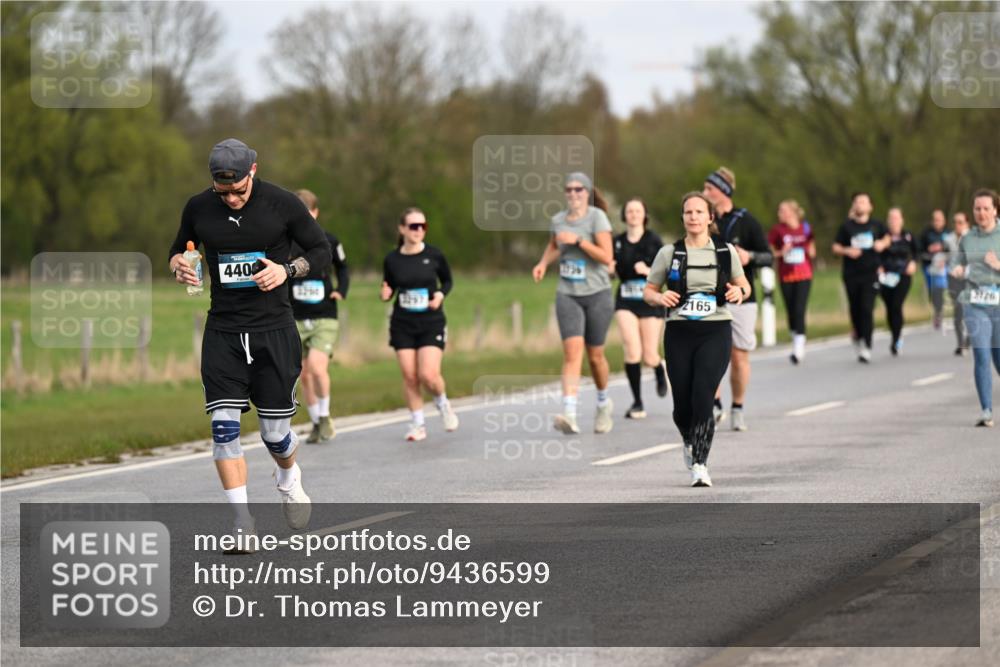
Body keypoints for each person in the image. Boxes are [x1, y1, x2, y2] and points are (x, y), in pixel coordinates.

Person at [169, 138, 331, 546]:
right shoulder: (198, 206)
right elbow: (179, 248)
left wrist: (288, 270)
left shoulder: (282, 204)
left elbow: (320, 249)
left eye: (239, 190)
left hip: (273, 330)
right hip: (223, 332)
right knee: (223, 429)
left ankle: (289, 476)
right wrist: (179, 265)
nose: (233, 199)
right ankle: (243, 522)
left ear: (252, 172)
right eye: (224, 193)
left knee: (275, 434)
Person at [644, 192, 752, 487]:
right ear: (683, 218)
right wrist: (659, 296)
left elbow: (744, 285)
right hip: (679, 331)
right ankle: (689, 438)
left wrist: (738, 293)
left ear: (710, 218)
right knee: (682, 405)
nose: (693, 217)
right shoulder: (670, 253)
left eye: (699, 212)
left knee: (704, 392)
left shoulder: (724, 251)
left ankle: (701, 464)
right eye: (688, 212)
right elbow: (649, 290)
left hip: (715, 329)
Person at [532, 172, 615, 435]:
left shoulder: (596, 218)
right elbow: (554, 245)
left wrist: (579, 241)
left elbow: (606, 256)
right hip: (567, 293)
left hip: (598, 293)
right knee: (572, 353)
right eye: (569, 190)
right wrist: (543, 263)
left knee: (596, 357)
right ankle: (569, 413)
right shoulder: (558, 220)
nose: (573, 194)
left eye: (579, 190)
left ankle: (603, 403)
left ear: (587, 192)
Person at [702, 167, 772, 431]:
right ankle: (715, 402)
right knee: (709, 352)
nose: (705, 193)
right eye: (704, 189)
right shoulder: (702, 220)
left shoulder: (746, 220)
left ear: (724, 191)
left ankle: (738, 406)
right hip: (709, 295)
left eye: (710, 189)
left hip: (742, 297)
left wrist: (749, 257)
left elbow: (768, 257)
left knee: (739, 355)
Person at [381, 207, 459, 442]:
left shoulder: (434, 255)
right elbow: (390, 286)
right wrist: (385, 293)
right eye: (414, 226)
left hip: (431, 322)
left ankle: (442, 403)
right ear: (402, 229)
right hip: (403, 323)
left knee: (429, 375)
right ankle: (417, 424)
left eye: (422, 226)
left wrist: (440, 295)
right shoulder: (392, 259)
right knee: (410, 376)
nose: (419, 230)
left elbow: (447, 281)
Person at [289, 189, 350, 444]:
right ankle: (315, 421)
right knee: (303, 373)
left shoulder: (330, 241)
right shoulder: (286, 242)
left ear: (316, 213)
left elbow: (343, 268)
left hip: (324, 314)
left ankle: (325, 417)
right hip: (295, 315)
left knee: (316, 366)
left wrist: (340, 291)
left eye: (308, 214)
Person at [611, 197, 668, 419]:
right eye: (630, 211)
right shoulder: (618, 242)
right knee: (631, 349)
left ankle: (658, 369)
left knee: (649, 354)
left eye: (638, 211)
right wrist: (609, 269)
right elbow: (612, 268)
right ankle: (637, 402)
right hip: (626, 299)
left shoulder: (653, 240)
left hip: (650, 299)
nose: (634, 214)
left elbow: (665, 268)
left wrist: (648, 270)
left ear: (645, 215)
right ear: (624, 215)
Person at [951, 188, 1000, 428]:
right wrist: (957, 269)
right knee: (981, 352)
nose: (981, 213)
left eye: (985, 208)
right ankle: (986, 411)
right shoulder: (967, 238)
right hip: (974, 301)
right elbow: (956, 262)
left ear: (995, 210)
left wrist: (998, 265)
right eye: (977, 209)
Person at [832, 192, 891, 363]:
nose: (860, 205)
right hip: (851, 274)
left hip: (871, 273)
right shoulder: (846, 227)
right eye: (857, 202)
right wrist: (847, 251)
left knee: (867, 308)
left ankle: (867, 344)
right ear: (853, 206)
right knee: (855, 309)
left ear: (870, 206)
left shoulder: (876, 225)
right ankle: (858, 335)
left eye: (863, 202)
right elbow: (835, 247)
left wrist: (882, 243)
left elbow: (887, 238)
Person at [767, 200, 816, 364]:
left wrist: (810, 250)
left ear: (793, 212)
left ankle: (799, 346)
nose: (779, 213)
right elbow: (769, 252)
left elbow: (812, 247)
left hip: (804, 274)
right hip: (786, 275)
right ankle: (795, 335)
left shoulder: (805, 228)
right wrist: (782, 252)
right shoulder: (777, 230)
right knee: (790, 310)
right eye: (779, 210)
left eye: (783, 210)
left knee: (799, 308)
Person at [878, 207, 919, 356]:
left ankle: (897, 338)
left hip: (903, 275)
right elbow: (877, 253)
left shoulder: (908, 236)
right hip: (886, 276)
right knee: (890, 307)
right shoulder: (883, 236)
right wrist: (879, 266)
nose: (894, 221)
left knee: (897, 304)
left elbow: (916, 252)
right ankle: (895, 333)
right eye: (891, 218)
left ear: (902, 220)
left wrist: (913, 263)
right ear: (888, 221)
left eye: (897, 218)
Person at [919, 209, 951, 330]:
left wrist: (942, 250)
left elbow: (954, 249)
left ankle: (939, 311)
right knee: (932, 291)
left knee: (939, 288)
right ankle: (937, 309)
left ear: (944, 221)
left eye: (939, 220)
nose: (937, 222)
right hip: (929, 265)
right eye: (935, 220)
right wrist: (929, 250)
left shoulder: (948, 233)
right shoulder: (926, 233)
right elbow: (919, 250)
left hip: (943, 267)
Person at [947, 211, 972, 355]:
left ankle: (968, 341)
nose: (957, 225)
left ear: (967, 224)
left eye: (960, 222)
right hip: (953, 279)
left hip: (971, 279)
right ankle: (960, 343)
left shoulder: (974, 238)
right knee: (958, 311)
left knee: (970, 312)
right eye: (955, 222)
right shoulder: (948, 239)